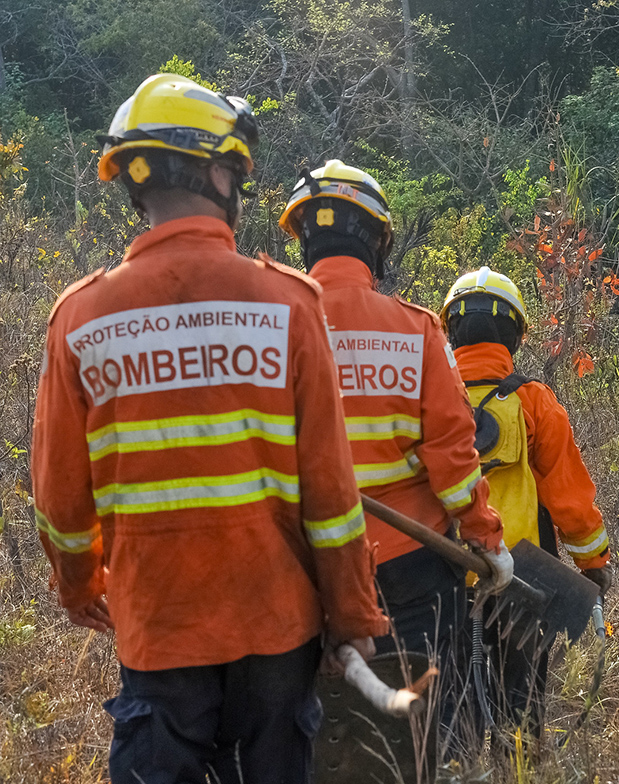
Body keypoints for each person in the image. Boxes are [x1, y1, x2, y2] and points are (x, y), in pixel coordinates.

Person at [32, 74, 387, 784]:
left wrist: (79, 586)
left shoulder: (80, 317)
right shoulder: (288, 302)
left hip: (158, 623)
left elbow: (61, 498)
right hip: (276, 625)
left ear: (136, 181)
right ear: (220, 170)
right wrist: (351, 614)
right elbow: (331, 491)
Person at [278, 161, 512, 767]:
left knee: (297, 730)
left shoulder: (267, 324)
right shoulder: (415, 331)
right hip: (409, 569)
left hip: (295, 567)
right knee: (416, 727)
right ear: (379, 240)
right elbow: (455, 461)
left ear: (303, 237)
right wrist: (487, 538)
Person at [441, 266, 613, 740]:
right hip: (525, 576)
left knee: (454, 703)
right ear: (514, 333)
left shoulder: (428, 396)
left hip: (445, 574)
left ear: (450, 328)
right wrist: (594, 563)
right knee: (520, 706)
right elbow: (569, 497)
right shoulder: (533, 400)